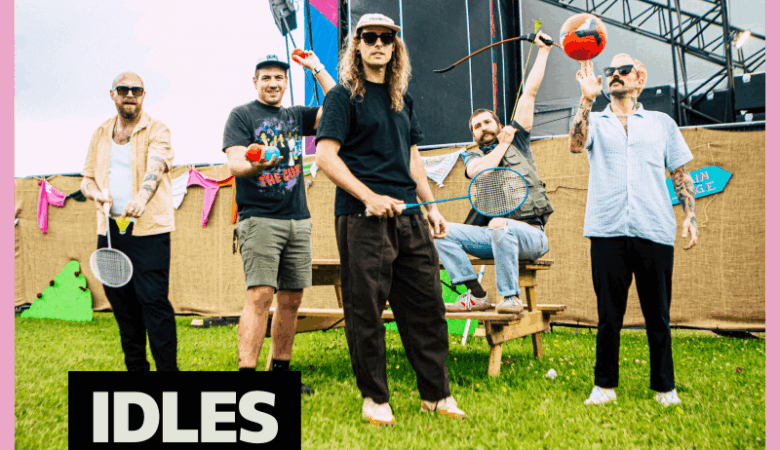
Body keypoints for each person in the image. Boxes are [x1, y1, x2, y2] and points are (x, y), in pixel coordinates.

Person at [315, 13, 466, 426]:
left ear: (395, 47)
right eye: (370, 37)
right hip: (362, 217)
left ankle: (436, 395)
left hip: (409, 216)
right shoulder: (342, 97)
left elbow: (413, 158)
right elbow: (325, 157)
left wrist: (431, 207)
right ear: (357, 45)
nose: (379, 43)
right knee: (366, 311)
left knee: (428, 307)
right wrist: (369, 196)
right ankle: (375, 399)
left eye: (387, 38)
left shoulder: (403, 98)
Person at [568, 54, 698, 406]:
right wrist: (586, 99)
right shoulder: (594, 119)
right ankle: (604, 387)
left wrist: (690, 215)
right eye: (610, 71)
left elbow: (680, 173)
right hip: (607, 228)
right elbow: (576, 145)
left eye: (623, 70)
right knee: (608, 315)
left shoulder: (661, 123)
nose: (615, 75)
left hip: (654, 227)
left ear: (639, 78)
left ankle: (665, 388)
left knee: (658, 315)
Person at [222, 51, 335, 394]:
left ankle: (280, 373)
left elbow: (338, 105)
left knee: (291, 299)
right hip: (259, 219)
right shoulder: (241, 115)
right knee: (260, 295)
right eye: (266, 77)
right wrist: (256, 165)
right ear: (255, 81)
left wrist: (317, 68)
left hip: (298, 219)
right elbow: (234, 163)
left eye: (279, 78)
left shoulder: (295, 115)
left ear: (286, 82)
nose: (273, 83)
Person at [434, 33, 555, 314]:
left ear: (499, 125)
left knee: (500, 224)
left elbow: (529, 94)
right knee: (439, 232)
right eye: (476, 126)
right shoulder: (472, 156)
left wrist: (543, 51)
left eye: (487, 122)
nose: (482, 128)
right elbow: (480, 171)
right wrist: (501, 145)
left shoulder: (518, 140)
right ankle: (476, 294)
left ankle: (510, 298)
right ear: (473, 136)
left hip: (531, 236)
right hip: (493, 237)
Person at [80, 72, 178, 371]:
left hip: (150, 231)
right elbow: (86, 179)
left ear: (144, 95)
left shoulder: (157, 129)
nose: (130, 95)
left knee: (154, 302)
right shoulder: (100, 133)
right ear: (113, 95)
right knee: (122, 306)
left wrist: (141, 199)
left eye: (136, 90)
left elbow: (156, 168)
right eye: (123, 90)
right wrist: (95, 194)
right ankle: (136, 372)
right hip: (110, 231)